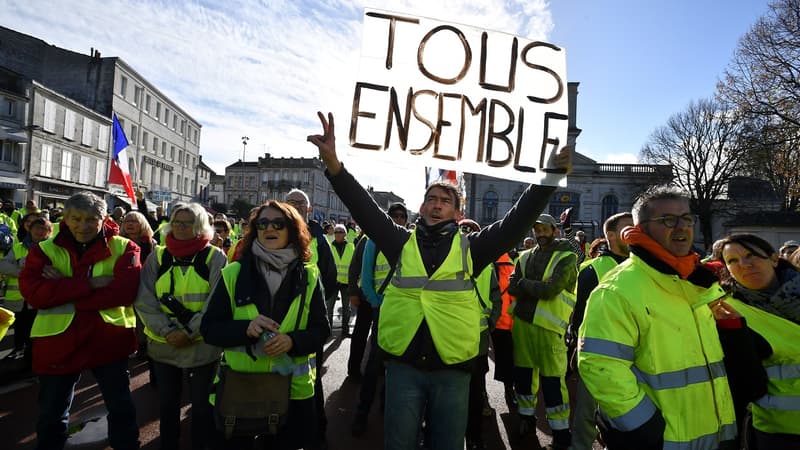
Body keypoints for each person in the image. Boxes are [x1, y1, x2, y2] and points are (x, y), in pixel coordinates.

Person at [307, 111, 572, 450]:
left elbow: (516, 221)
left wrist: (548, 178)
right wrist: (334, 166)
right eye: (431, 199)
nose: (437, 204)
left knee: (447, 443)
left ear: (457, 213)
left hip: (453, 367)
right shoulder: (400, 242)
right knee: (399, 442)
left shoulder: (473, 248)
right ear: (422, 206)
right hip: (403, 364)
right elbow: (364, 208)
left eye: (445, 200)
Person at [578, 185, 737, 450]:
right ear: (641, 228)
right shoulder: (617, 289)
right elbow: (600, 367)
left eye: (686, 218)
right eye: (668, 220)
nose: (682, 226)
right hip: (664, 440)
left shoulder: (699, 281)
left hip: (717, 434)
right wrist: (644, 428)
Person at [200, 201, 330, 449]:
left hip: (293, 391)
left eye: (278, 223)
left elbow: (321, 330)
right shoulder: (233, 273)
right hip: (243, 388)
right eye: (263, 223)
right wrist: (245, 329)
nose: (270, 228)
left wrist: (292, 341)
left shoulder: (310, 275)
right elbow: (209, 329)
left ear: (292, 229)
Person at [19, 191, 141, 450]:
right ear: (65, 217)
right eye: (75, 218)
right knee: (52, 414)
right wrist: (91, 284)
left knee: (121, 409)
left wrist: (63, 289)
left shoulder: (125, 247)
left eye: (90, 220)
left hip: (108, 339)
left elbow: (124, 292)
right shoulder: (44, 249)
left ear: (104, 218)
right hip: (58, 340)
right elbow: (34, 294)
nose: (82, 226)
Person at [135, 203, 227, 450]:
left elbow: (216, 302)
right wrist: (168, 331)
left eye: (187, 223)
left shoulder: (215, 257)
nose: (180, 227)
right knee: (167, 404)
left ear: (199, 226)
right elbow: (144, 298)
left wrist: (188, 332)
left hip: (201, 346)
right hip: (164, 344)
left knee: (201, 405)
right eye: (176, 222)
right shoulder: (159, 255)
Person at [711, 233, 800, 448]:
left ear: (773, 258)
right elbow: (745, 385)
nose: (744, 264)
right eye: (732, 260)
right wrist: (734, 334)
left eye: (751, 255)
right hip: (780, 432)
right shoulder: (727, 310)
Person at [507, 213, 577, 448]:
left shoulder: (567, 257)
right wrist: (527, 286)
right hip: (523, 325)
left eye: (544, 229)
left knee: (552, 382)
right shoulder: (524, 256)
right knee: (524, 378)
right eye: (536, 229)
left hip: (549, 328)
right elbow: (511, 287)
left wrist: (525, 284)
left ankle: (561, 433)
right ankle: (526, 418)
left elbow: (551, 290)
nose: (539, 233)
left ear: (555, 230)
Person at [568, 212, 633, 450]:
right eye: (628, 228)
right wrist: (577, 346)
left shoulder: (645, 268)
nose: (635, 232)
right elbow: (580, 316)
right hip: (599, 356)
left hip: (638, 354)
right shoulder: (592, 270)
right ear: (611, 235)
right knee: (588, 413)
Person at [284, 188, 338, 450]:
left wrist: (312, 303)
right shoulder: (270, 231)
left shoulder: (318, 238)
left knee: (310, 379)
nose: (295, 206)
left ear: (308, 209)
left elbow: (329, 277)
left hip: (307, 323)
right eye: (291, 202)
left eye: (300, 203)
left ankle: (315, 431)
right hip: (276, 323)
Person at [350, 202, 409, 436]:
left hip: (404, 312)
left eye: (402, 216)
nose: (398, 219)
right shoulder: (373, 241)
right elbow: (366, 276)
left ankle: (386, 408)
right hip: (382, 310)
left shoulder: (409, 240)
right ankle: (361, 414)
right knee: (374, 364)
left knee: (396, 364)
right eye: (394, 215)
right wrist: (375, 302)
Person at [458, 218, 502, 450]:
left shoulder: (487, 267)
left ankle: (474, 436)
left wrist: (490, 322)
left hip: (478, 336)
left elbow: (496, 297)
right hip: (451, 337)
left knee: (475, 387)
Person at [0, 217, 53, 372]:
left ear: (49, 232)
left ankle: (31, 360)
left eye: (43, 229)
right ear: (30, 229)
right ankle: (19, 353)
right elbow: (3, 265)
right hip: (17, 299)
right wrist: (26, 272)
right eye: (36, 228)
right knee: (19, 328)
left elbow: (52, 270)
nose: (39, 231)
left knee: (35, 330)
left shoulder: (51, 249)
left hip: (39, 298)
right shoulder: (18, 247)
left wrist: (24, 268)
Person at [329, 223, 355, 336]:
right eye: (336, 232)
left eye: (340, 232)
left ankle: (345, 330)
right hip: (333, 283)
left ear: (345, 234)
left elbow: (354, 265)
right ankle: (328, 331)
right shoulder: (329, 246)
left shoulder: (351, 246)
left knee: (346, 309)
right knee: (329, 308)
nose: (338, 234)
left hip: (346, 283)